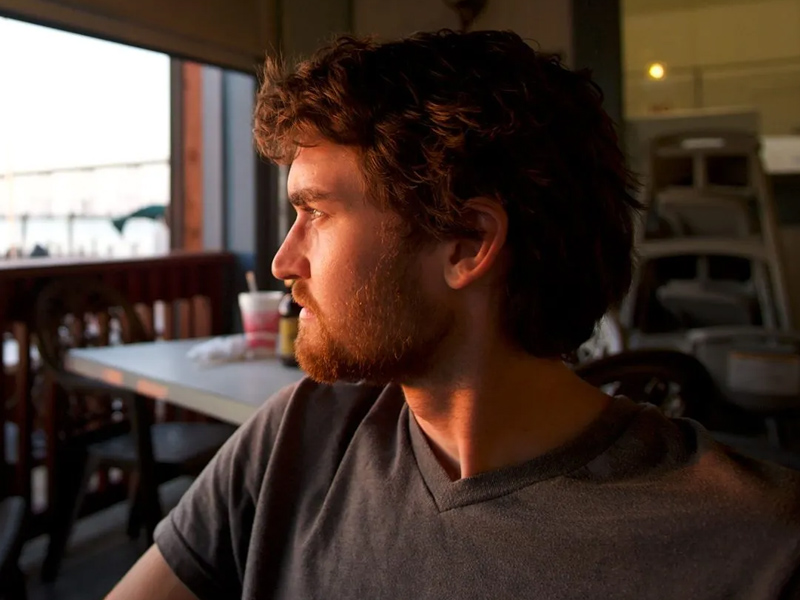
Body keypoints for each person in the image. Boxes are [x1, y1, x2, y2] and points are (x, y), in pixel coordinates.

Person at [107, 30, 800, 600]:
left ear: (467, 243)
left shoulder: (759, 548)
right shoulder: (296, 439)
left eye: (315, 211)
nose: (284, 260)